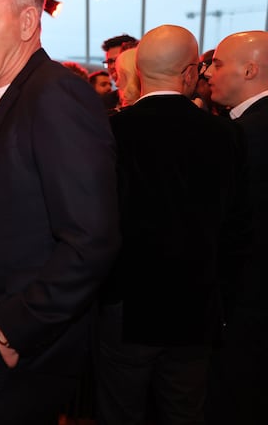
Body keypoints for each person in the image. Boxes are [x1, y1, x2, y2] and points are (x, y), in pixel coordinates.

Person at [0, 0, 120, 423]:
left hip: (24, 343)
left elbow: (92, 238)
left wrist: (15, 329)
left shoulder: (54, 95)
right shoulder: (9, 92)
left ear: (27, 23)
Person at [95, 25, 249, 424]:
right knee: (184, 411)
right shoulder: (226, 135)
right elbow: (234, 230)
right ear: (189, 73)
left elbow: (96, 224)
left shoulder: (111, 132)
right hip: (194, 307)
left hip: (126, 306)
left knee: (120, 412)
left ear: (140, 72)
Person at [205, 30, 268, 424]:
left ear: (249, 69)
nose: (208, 72)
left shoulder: (243, 135)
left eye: (218, 63)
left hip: (244, 299)